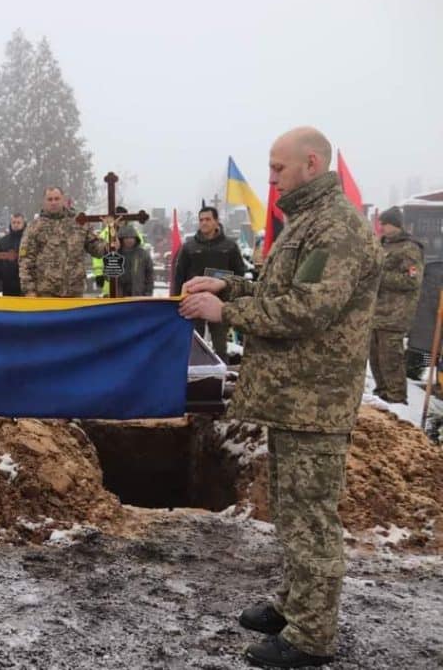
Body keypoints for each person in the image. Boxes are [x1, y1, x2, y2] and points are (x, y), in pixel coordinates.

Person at [180, 127, 382, 668]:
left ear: (311, 164)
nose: (270, 179)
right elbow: (278, 291)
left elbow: (306, 310)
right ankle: (294, 604)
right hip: (293, 396)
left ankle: (310, 637)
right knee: (292, 514)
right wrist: (230, 288)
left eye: (277, 169)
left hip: (315, 400)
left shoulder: (336, 229)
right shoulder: (306, 223)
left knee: (311, 520)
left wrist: (229, 314)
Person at [172, 206, 247, 360]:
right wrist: (176, 300)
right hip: (193, 302)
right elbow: (179, 275)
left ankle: (222, 375)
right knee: (195, 345)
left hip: (219, 302)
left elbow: (239, 273)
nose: (204, 223)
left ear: (216, 221)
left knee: (220, 346)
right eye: (201, 220)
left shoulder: (229, 246)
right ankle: (196, 377)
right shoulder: (189, 247)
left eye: (208, 219)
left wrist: (230, 293)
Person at [369, 208, 423, 403]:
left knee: (390, 357)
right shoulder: (382, 245)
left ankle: (397, 397)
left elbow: (412, 281)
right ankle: (382, 393)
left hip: (395, 314)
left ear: (395, 224)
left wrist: (380, 277)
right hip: (376, 312)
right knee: (375, 357)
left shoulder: (409, 248)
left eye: (384, 223)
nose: (380, 227)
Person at [19, 186, 108, 297]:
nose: (53, 202)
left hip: (74, 292)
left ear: (63, 200)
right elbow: (26, 261)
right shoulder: (34, 227)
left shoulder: (79, 222)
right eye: (50, 199)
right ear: (44, 202)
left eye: (57, 199)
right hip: (46, 294)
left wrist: (109, 247)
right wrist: (29, 290)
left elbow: (95, 247)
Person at [0, 213, 26, 296]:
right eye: (14, 222)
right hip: (7, 284)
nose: (16, 225)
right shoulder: (3, 241)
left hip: (24, 283)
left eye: (18, 222)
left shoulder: (28, 240)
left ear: (23, 224)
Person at [112, 226, 154, 298]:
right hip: (119, 296)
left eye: (132, 237)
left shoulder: (143, 254)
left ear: (136, 239)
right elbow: (108, 276)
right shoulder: (115, 254)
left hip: (138, 296)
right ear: (121, 239)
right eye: (126, 238)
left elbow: (149, 276)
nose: (129, 240)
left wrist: (148, 294)